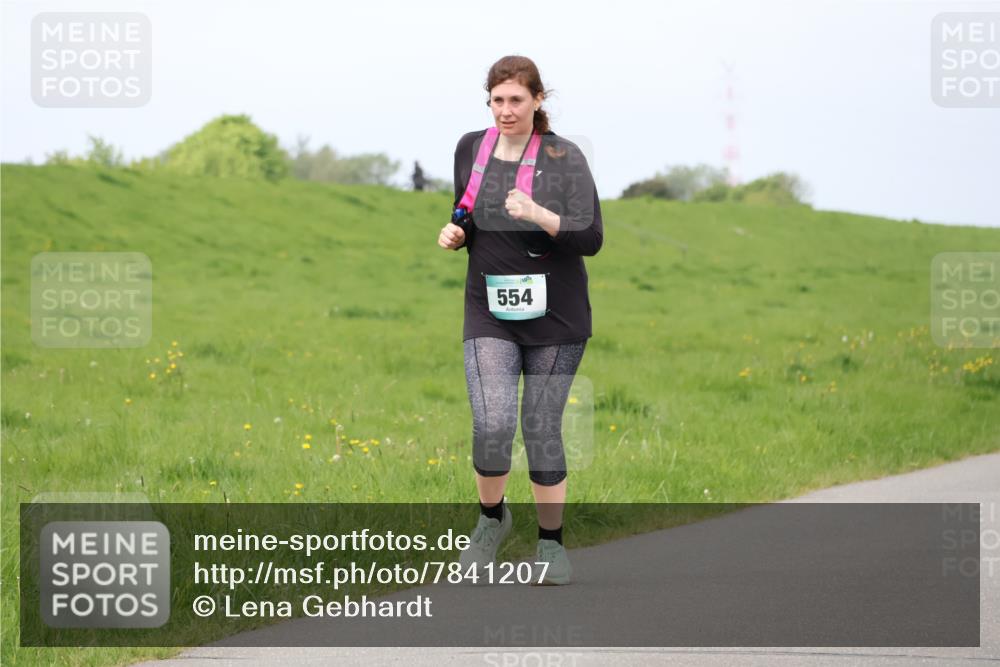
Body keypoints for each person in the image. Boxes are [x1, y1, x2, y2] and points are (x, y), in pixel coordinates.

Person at [437, 55, 603, 585]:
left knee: (540, 427)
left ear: (537, 101)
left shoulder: (564, 157)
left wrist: (539, 214)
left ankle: (551, 547)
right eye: (497, 100)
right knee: (492, 422)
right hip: (489, 309)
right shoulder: (471, 147)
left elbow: (591, 237)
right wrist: (458, 232)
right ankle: (492, 519)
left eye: (516, 100)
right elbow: (467, 208)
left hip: (556, 315)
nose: (506, 110)